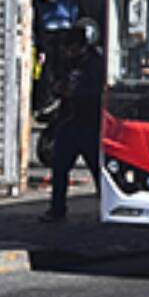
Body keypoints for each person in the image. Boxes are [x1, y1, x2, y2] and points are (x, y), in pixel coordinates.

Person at [39, 20, 103, 223]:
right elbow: (55, 82)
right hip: (68, 121)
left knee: (97, 169)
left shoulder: (95, 63)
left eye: (72, 48)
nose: (69, 53)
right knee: (60, 168)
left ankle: (106, 205)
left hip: (89, 123)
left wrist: (76, 92)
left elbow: (96, 92)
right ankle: (57, 209)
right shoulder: (66, 62)